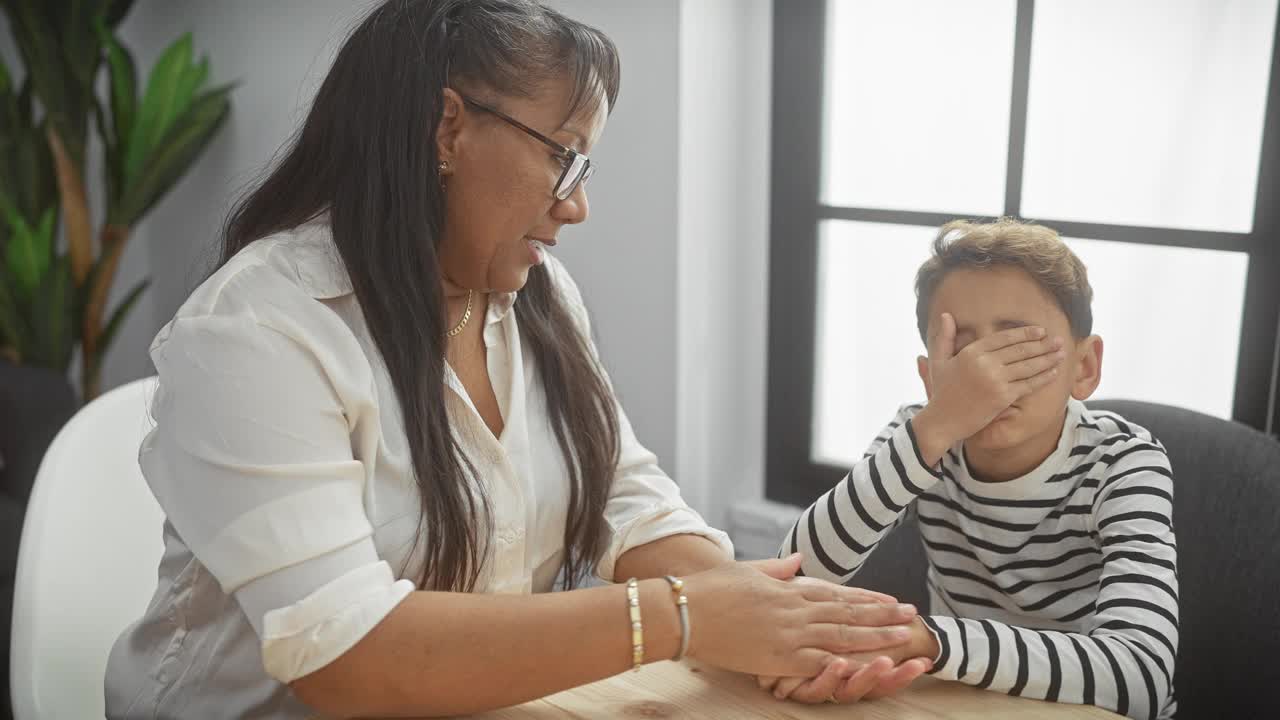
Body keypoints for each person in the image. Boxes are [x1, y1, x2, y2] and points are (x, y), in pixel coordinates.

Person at [103, 2, 921, 717]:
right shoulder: (256, 332)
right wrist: (688, 616)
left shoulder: (537, 296)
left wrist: (768, 619)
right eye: (562, 154)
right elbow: (343, 656)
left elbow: (623, 497)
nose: (577, 204)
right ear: (447, 127)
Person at [767, 219, 1178, 719]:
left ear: (1084, 366)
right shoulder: (922, 436)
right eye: (961, 351)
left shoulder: (1126, 462)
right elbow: (794, 570)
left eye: (1018, 348)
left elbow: (1142, 676)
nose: (986, 374)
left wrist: (929, 642)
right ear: (930, 376)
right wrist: (934, 426)